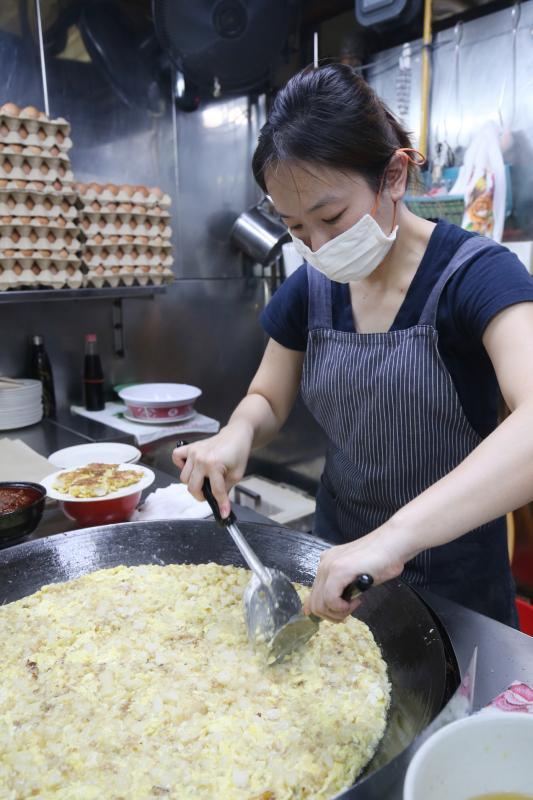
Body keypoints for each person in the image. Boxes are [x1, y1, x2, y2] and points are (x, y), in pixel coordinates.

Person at [174, 64, 533, 628]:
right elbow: (267, 398)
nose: (317, 247)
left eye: (332, 217)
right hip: (333, 575)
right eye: (296, 229)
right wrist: (235, 435)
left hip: (456, 592)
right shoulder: (311, 288)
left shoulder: (477, 277)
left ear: (392, 176)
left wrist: (393, 540)